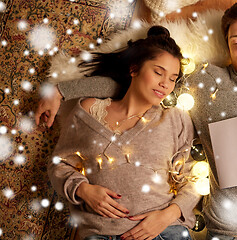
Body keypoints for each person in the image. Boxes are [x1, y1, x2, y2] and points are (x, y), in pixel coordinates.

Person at [37, 2, 237, 239]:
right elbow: (136, 87)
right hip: (227, 231)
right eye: (236, 40)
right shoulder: (205, 82)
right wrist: (62, 90)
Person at [46, 26, 201, 240]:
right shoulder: (90, 110)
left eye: (173, 78)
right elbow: (59, 163)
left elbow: (194, 179)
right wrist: (83, 189)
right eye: (158, 72)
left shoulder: (176, 119)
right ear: (134, 69)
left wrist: (166, 216)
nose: (165, 84)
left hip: (164, 232)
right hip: (101, 233)